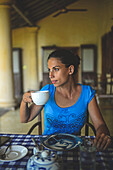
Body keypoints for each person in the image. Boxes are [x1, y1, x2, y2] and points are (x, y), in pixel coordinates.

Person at [20, 49, 111, 150]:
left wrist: (102, 135)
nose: (51, 75)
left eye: (56, 69)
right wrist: (24, 101)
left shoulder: (86, 93)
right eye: (49, 70)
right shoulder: (47, 92)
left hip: (75, 147)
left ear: (70, 70)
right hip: (48, 148)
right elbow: (25, 119)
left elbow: (100, 125)